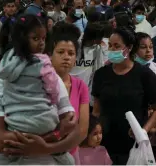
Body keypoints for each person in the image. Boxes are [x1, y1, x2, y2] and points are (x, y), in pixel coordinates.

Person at [0, 14, 78, 164]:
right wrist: (53, 136)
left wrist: (45, 145)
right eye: (36, 38)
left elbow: (73, 130)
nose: (41, 44)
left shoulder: (48, 73)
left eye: (43, 39)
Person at [92, 26, 156, 165]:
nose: (111, 49)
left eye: (117, 46)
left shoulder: (145, 75)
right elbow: (97, 111)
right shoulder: (101, 74)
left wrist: (143, 131)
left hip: (134, 143)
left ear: (128, 48)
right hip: (105, 143)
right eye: (110, 45)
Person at [49, 22, 89, 164]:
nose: (66, 57)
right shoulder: (39, 83)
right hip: (42, 153)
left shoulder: (80, 86)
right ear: (50, 54)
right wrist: (47, 149)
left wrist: (61, 150)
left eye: (71, 53)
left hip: (71, 154)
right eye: (61, 52)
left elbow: (83, 129)